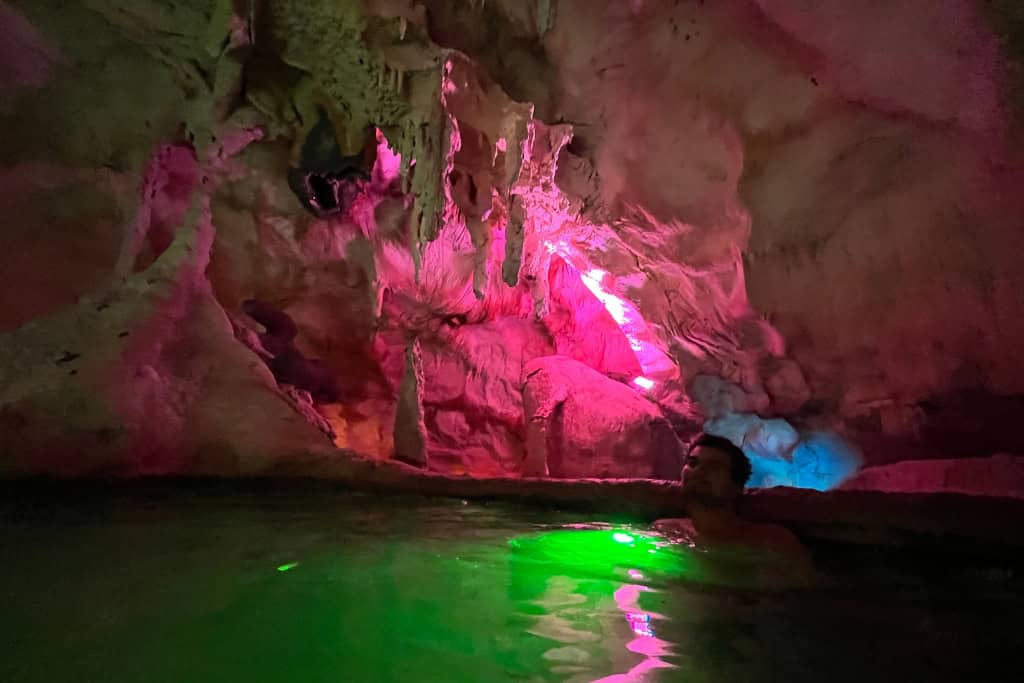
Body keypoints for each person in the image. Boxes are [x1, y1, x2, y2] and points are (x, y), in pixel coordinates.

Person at [654, 434, 811, 579]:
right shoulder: (664, 530)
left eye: (714, 466)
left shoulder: (772, 542)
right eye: (693, 463)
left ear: (736, 488)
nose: (699, 471)